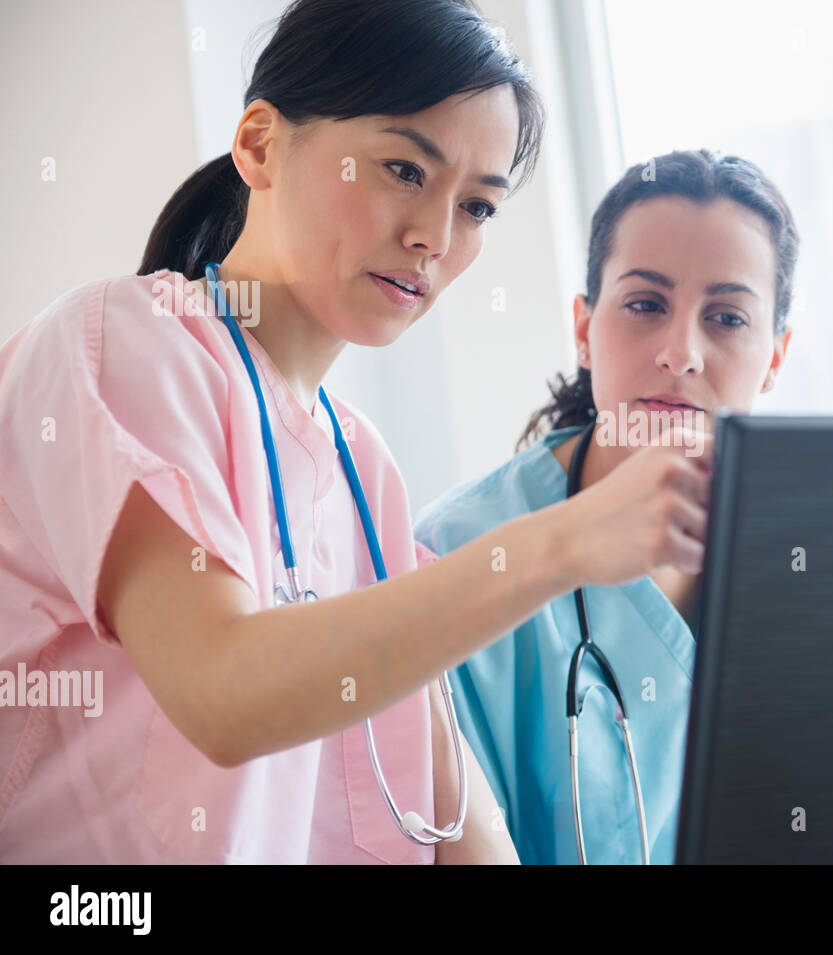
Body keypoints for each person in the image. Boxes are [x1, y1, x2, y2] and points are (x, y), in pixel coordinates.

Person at [0, 0, 711, 864]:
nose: (433, 237)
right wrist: (562, 541)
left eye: (479, 207)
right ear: (261, 145)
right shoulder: (118, 343)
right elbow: (224, 691)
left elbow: (455, 822)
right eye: (404, 170)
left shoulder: (363, 472)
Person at [413, 149, 799, 863]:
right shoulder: (453, 551)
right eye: (646, 305)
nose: (681, 352)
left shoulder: (816, 558)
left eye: (727, 318)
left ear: (775, 357)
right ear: (585, 330)